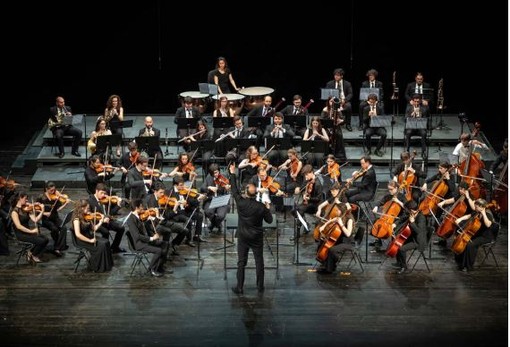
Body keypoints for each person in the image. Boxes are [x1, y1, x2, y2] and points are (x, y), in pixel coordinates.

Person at [228, 163, 273, 295]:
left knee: (241, 262)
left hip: (243, 236)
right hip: (256, 237)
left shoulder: (241, 203)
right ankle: (260, 287)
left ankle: (239, 287)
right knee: (259, 261)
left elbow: (234, 190)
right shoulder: (261, 206)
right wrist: (268, 209)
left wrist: (232, 174)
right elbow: (269, 220)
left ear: (246, 193)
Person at [314, 186, 355, 274]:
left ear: (342, 211)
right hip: (339, 238)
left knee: (332, 250)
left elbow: (348, 234)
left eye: (338, 211)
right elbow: (332, 220)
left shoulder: (350, 219)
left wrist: (341, 224)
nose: (337, 212)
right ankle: (324, 263)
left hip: (347, 242)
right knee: (322, 241)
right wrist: (324, 226)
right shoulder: (340, 216)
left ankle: (330, 268)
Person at [126, 198, 170, 277]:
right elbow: (137, 236)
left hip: (145, 240)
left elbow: (152, 226)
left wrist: (156, 217)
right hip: (139, 244)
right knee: (158, 250)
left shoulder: (140, 217)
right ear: (136, 208)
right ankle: (151, 270)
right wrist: (152, 238)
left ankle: (159, 267)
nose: (143, 209)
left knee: (165, 244)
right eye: (141, 207)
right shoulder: (131, 220)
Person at [454, 198, 499, 272]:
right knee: (464, 240)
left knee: (470, 244)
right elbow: (468, 216)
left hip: (486, 236)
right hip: (478, 234)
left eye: (476, 207)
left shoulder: (488, 214)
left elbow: (488, 225)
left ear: (481, 207)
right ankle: (461, 262)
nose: (475, 208)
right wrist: (460, 219)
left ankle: (468, 266)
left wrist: (483, 213)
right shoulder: (476, 212)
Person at [71, 199, 113, 272]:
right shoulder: (76, 219)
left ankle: (107, 266)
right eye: (87, 208)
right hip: (82, 240)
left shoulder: (87, 216)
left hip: (89, 236)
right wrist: (90, 240)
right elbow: (78, 235)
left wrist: (100, 222)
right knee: (101, 245)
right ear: (81, 208)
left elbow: (94, 228)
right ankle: (98, 267)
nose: (89, 210)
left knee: (106, 242)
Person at [391, 200, 428, 274]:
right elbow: (402, 219)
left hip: (418, 241)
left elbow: (418, 232)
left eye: (407, 209)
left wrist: (413, 222)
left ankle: (404, 267)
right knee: (398, 242)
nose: (406, 211)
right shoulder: (412, 213)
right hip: (412, 237)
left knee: (402, 249)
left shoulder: (421, 218)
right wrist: (395, 224)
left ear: (411, 210)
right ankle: (399, 262)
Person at [10, 191, 48, 264]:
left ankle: (30, 253)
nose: (27, 201)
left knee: (45, 239)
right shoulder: (14, 212)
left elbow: (35, 219)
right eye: (25, 199)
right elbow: (19, 226)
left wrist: (42, 211)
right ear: (19, 199)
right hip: (21, 235)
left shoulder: (26, 209)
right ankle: (33, 255)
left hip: (28, 232)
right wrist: (31, 231)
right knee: (41, 241)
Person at [88, 183, 126, 253]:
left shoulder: (104, 199)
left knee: (121, 228)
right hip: (96, 223)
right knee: (105, 232)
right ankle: (104, 250)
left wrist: (118, 205)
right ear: (96, 191)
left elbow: (110, 213)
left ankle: (115, 247)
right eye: (101, 193)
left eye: (104, 193)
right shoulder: (90, 201)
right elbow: (90, 216)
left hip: (106, 221)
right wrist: (102, 220)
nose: (103, 195)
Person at [36, 181, 70, 256]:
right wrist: (44, 213)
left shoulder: (55, 198)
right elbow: (35, 209)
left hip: (55, 217)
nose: (53, 192)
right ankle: (57, 247)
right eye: (51, 190)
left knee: (64, 227)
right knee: (54, 229)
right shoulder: (41, 197)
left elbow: (57, 209)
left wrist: (65, 204)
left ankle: (58, 247)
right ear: (46, 189)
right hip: (45, 219)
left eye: (54, 190)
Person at [370, 180, 406, 249]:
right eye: (389, 189)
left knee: (392, 228)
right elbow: (380, 202)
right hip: (387, 218)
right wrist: (376, 206)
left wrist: (398, 201)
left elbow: (407, 208)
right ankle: (378, 241)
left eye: (391, 189)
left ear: (396, 188)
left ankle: (393, 245)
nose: (390, 191)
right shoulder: (388, 196)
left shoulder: (402, 197)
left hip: (399, 218)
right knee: (376, 223)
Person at [200, 164, 231, 235]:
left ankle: (213, 225)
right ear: (211, 173)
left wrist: (227, 188)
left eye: (217, 172)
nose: (216, 174)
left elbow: (230, 186)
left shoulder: (223, 177)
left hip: (222, 199)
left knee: (220, 216)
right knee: (208, 212)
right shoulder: (208, 177)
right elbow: (202, 188)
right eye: (214, 173)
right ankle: (218, 225)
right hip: (211, 199)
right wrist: (209, 187)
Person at [320, 96, 347, 161]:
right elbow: (322, 121)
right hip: (326, 127)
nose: (332, 103)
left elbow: (343, 120)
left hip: (336, 127)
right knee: (326, 135)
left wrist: (341, 121)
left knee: (339, 135)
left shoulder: (338, 110)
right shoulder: (325, 109)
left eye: (333, 102)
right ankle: (326, 153)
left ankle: (339, 154)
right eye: (331, 101)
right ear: (328, 102)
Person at [404, 94, 430, 159]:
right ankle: (407, 151)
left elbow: (426, 119)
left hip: (420, 127)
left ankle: (423, 151)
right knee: (408, 133)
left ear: (420, 101)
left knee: (424, 133)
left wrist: (420, 116)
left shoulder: (424, 108)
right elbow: (405, 119)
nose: (416, 103)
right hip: (411, 127)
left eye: (418, 101)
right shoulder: (409, 107)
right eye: (415, 101)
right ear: (413, 101)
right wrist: (411, 115)